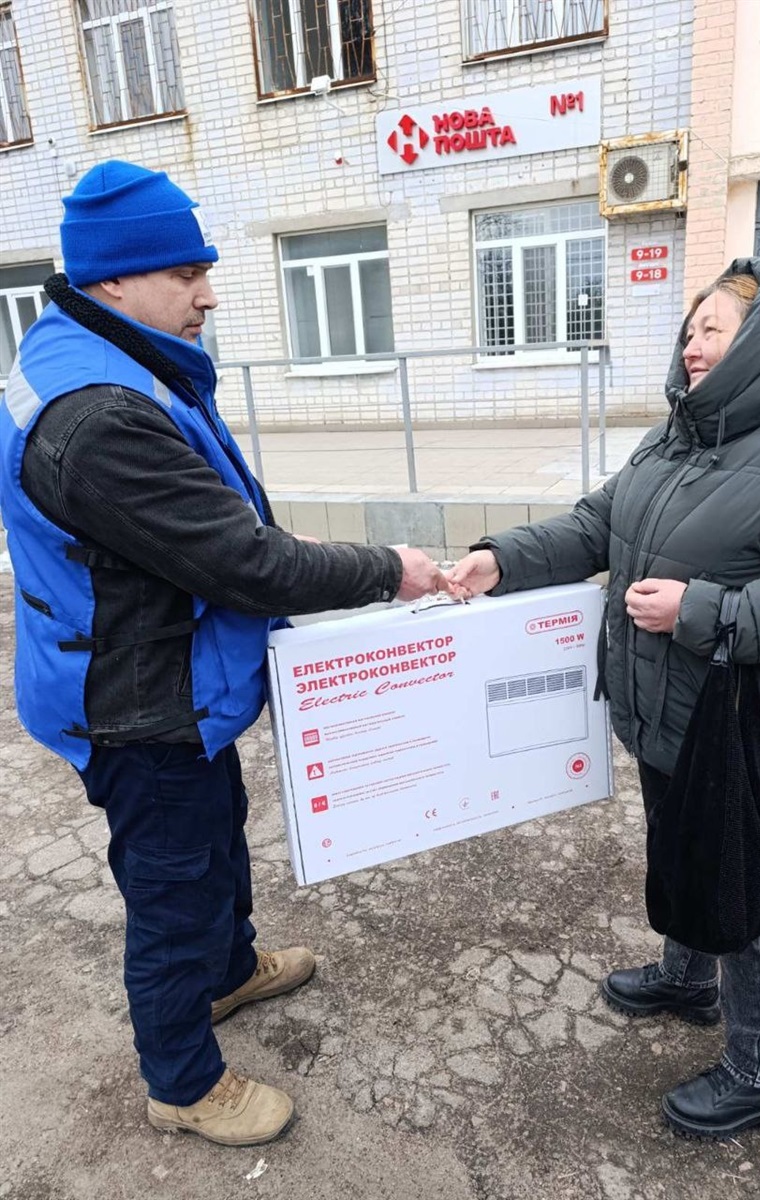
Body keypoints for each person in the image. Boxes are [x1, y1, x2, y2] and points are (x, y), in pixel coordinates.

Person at [0, 159, 460, 1147]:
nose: (207, 293)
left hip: (166, 679)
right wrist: (391, 568)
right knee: (173, 886)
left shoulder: (105, 354)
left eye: (205, 268)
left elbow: (203, 536)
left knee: (214, 840)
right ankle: (182, 1081)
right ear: (112, 279)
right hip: (138, 705)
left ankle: (229, 971)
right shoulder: (98, 416)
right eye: (185, 272)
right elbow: (244, 564)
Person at [448, 257, 760, 1140]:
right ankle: (688, 980)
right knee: (679, 847)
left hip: (738, 729)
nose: (691, 345)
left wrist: (705, 611)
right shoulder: (678, 435)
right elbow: (597, 524)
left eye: (712, 330)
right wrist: (502, 559)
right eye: (689, 330)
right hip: (667, 714)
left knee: (743, 892)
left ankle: (757, 1071)